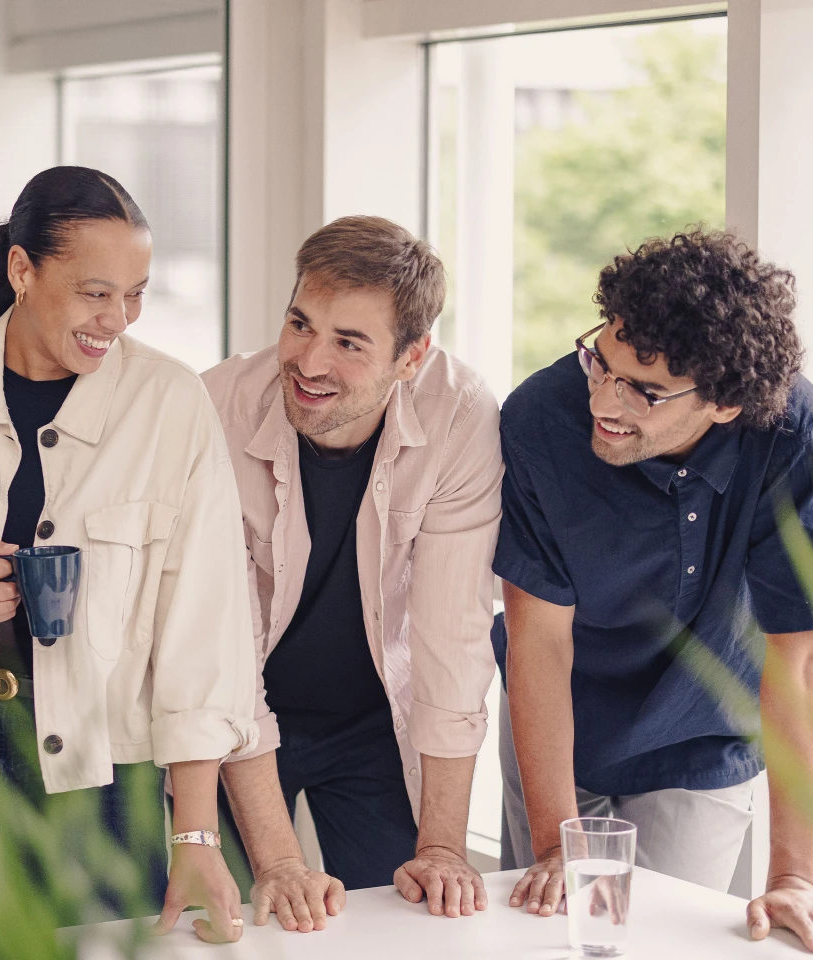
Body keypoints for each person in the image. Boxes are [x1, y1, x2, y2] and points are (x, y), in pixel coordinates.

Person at [0, 166, 257, 942]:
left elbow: (203, 630)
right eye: (95, 292)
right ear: (22, 269)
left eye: (136, 293)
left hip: (113, 789)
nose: (118, 318)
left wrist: (196, 834)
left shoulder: (171, 404)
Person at [494, 230, 813, 953]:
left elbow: (799, 661)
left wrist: (797, 875)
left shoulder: (798, 440)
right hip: (561, 719)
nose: (604, 400)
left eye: (643, 390)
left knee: (659, 944)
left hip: (701, 733)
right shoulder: (538, 423)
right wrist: (554, 843)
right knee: (557, 933)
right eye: (600, 363)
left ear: (727, 404)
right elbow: (538, 642)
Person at [201, 215, 504, 933]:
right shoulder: (213, 408)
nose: (309, 362)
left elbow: (453, 644)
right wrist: (278, 862)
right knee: (231, 930)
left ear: (412, 356)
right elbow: (224, 657)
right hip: (227, 717)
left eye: (349, 343)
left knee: (408, 920)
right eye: (301, 324)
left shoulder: (461, 416)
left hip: (369, 720)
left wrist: (442, 847)